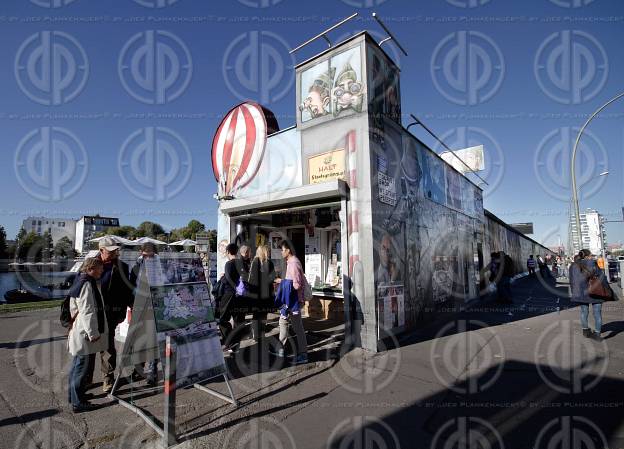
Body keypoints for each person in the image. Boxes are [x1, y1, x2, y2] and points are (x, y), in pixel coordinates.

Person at [67, 258, 108, 413]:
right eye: (100, 268)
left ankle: (75, 396)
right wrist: (93, 333)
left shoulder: (81, 280)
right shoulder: (86, 284)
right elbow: (87, 311)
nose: (102, 271)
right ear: (91, 268)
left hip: (79, 330)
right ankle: (78, 402)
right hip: (83, 332)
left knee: (77, 365)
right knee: (80, 367)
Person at [96, 237, 134, 393]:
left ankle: (107, 378)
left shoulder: (122, 267)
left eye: (115, 251)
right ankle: (84, 380)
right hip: (91, 313)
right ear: (101, 250)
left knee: (108, 347)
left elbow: (127, 290)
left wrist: (132, 307)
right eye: (110, 251)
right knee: (88, 350)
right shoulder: (90, 265)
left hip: (111, 313)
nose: (114, 254)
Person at [129, 242, 164, 386]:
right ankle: (137, 369)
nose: (149, 257)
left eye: (151, 255)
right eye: (146, 255)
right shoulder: (136, 266)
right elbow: (131, 285)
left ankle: (151, 372)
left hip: (155, 308)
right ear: (141, 253)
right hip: (139, 307)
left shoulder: (159, 266)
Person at [274, 240, 308, 364]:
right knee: (283, 322)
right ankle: (280, 349)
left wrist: (281, 282)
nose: (281, 252)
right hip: (290, 300)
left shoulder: (293, 263)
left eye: (282, 250)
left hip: (293, 301)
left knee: (297, 327)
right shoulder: (292, 262)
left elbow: (297, 284)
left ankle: (303, 355)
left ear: (288, 250)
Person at [569, 249, 610, 341]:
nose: (592, 257)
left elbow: (572, 280)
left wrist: (574, 292)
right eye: (591, 255)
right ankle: (597, 335)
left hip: (581, 293)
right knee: (597, 313)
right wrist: (607, 290)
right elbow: (601, 277)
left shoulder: (573, 265)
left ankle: (585, 331)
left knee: (584, 312)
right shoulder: (592, 263)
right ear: (587, 256)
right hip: (596, 291)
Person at [215, 243, 242, 351]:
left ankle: (229, 342)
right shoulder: (241, 263)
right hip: (239, 295)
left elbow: (228, 281)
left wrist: (223, 277)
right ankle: (236, 344)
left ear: (228, 252)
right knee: (237, 320)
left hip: (229, 294)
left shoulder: (229, 264)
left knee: (222, 319)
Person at [247, 245, 276, 341]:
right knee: (263, 314)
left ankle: (256, 334)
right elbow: (273, 278)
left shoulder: (255, 262)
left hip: (256, 293)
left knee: (257, 314)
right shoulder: (269, 263)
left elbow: (251, 280)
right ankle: (261, 333)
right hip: (266, 293)